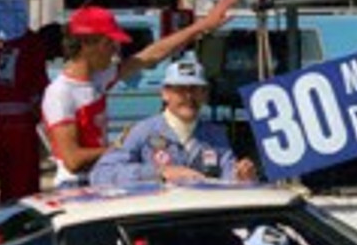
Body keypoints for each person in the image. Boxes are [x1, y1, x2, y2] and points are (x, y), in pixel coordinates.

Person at [42, 0, 239, 187]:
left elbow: (152, 54)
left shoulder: (99, 78)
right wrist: (124, 148)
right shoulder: (60, 93)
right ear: (86, 44)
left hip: (100, 178)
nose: (114, 51)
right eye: (108, 43)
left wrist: (203, 26)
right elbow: (73, 161)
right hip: (76, 184)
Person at [90, 52, 258, 186]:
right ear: (165, 94)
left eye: (195, 90)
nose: (189, 97)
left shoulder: (215, 135)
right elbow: (100, 174)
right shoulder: (142, 131)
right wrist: (159, 173)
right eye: (180, 90)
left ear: (205, 94)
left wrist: (241, 176)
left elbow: (228, 176)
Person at [0, 22, 64, 201]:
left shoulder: (11, 47)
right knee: (26, 188)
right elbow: (42, 90)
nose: (52, 58)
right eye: (54, 53)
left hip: (1, 123)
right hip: (22, 126)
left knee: (7, 185)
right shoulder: (34, 50)